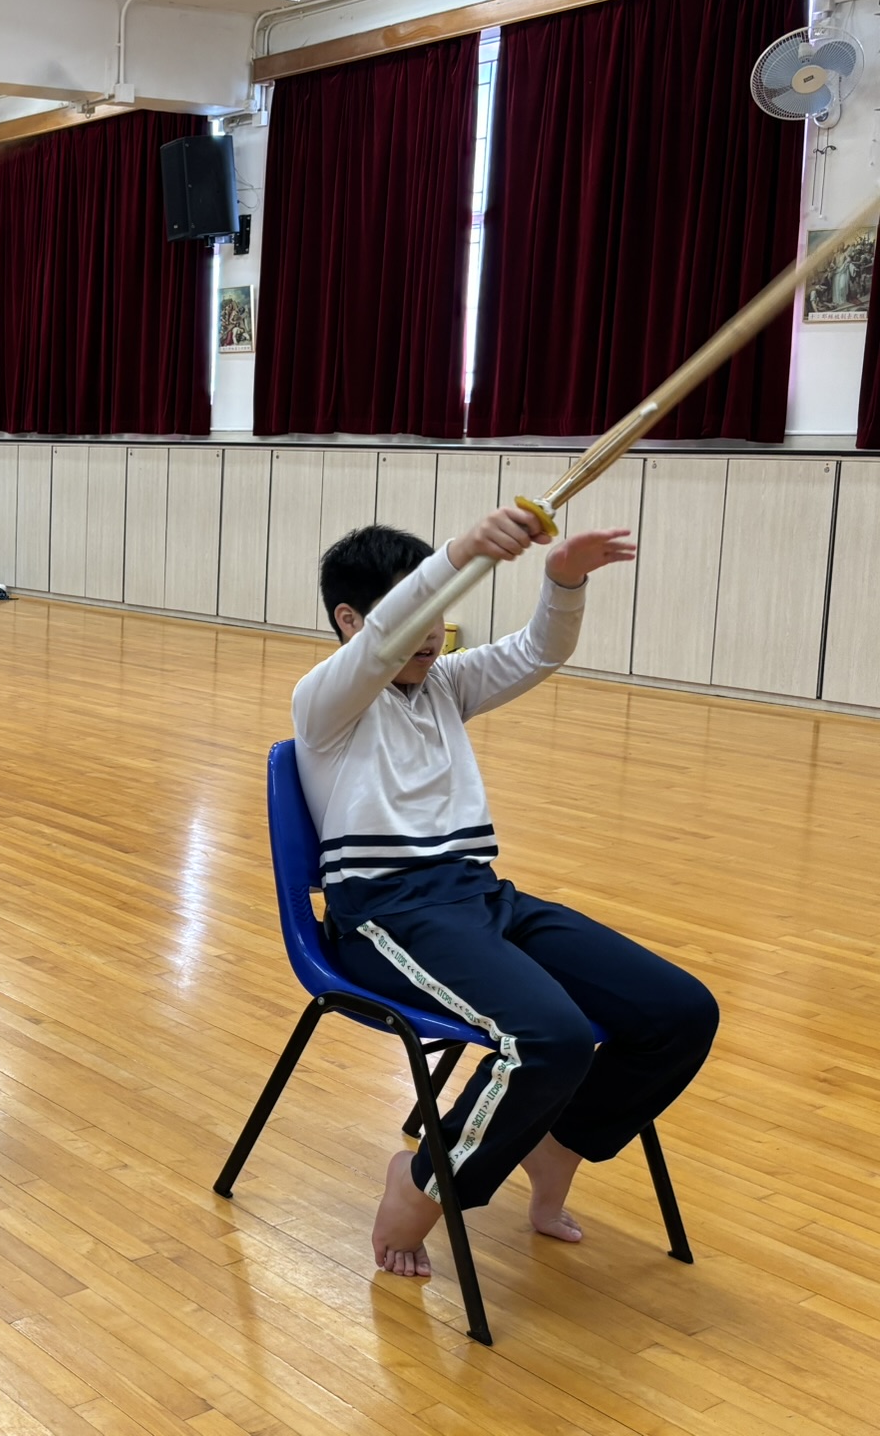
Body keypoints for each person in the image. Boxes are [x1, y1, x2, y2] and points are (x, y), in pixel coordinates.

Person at [293, 511, 720, 1279]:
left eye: (442, 615)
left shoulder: (447, 686)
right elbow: (386, 639)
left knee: (679, 1012)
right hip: (387, 916)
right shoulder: (327, 701)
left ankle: (559, 1143)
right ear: (351, 621)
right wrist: (462, 552)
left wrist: (563, 582)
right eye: (420, 611)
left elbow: (538, 650)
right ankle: (422, 1185)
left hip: (481, 899)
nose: (433, 633)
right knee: (550, 1039)